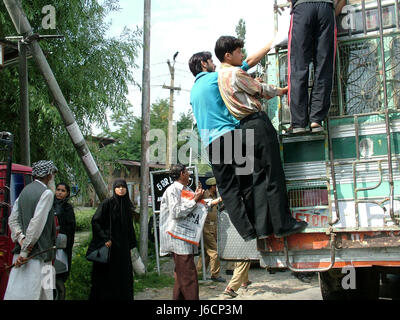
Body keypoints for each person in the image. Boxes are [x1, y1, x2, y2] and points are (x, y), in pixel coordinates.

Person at [215, 35, 308, 238]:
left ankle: (264, 227)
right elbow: (261, 90)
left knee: (258, 178)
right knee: (273, 173)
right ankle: (283, 224)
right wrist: (280, 90)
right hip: (257, 123)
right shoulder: (235, 73)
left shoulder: (219, 76)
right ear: (228, 55)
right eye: (239, 52)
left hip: (243, 127)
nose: (242, 55)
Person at [189, 41, 277, 242]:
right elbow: (247, 64)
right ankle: (262, 227)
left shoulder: (194, 92)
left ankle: (247, 232)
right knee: (249, 180)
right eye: (211, 60)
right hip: (229, 135)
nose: (214, 63)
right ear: (204, 64)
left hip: (211, 144)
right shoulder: (217, 77)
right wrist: (269, 44)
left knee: (228, 189)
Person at [287, 0, 346, 133]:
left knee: (298, 66)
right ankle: (316, 120)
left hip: (302, 8)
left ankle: (299, 123)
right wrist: (331, 13)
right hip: (326, 8)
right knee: (324, 67)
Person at [4, 160, 58, 300]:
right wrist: (25, 250)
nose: (52, 177)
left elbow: (12, 220)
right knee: (37, 293)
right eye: (52, 174)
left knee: (21, 291)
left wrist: (21, 239)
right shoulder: (47, 193)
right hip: (38, 255)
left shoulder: (24, 191)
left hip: (28, 253)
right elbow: (36, 224)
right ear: (48, 175)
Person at [159, 164, 208, 300]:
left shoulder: (186, 189)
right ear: (181, 174)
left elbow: (196, 206)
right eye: (187, 172)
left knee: (181, 275)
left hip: (186, 237)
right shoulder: (172, 190)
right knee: (188, 276)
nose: (189, 174)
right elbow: (176, 212)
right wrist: (194, 200)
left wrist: (200, 197)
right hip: (178, 239)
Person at [87, 179, 137, 300]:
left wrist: (132, 245)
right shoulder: (107, 203)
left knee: (123, 277)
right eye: (118, 187)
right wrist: (105, 238)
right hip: (110, 247)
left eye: (123, 187)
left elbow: (130, 228)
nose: (121, 189)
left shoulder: (127, 205)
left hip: (123, 249)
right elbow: (95, 221)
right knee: (107, 277)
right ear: (114, 189)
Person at [196, 177, 225, 283]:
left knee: (206, 252)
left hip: (213, 227)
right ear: (212, 186)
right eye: (215, 186)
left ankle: (198, 273)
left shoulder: (215, 196)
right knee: (214, 252)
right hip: (206, 227)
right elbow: (206, 205)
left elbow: (216, 209)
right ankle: (215, 274)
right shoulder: (204, 195)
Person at [53, 182, 76, 300]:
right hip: (49, 248)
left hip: (62, 248)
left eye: (63, 191)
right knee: (48, 278)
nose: (59, 193)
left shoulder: (68, 208)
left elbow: (71, 229)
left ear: (67, 193)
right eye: (58, 190)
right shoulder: (49, 204)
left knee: (59, 278)